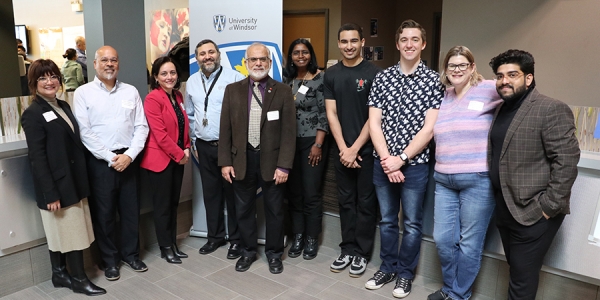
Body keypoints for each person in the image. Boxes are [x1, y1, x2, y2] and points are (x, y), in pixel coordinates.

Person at [488, 49, 580, 300]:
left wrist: (547, 208)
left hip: (534, 212)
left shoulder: (550, 108)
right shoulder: (501, 109)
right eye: (499, 76)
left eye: (512, 74)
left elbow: (567, 161)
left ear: (528, 78)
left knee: (522, 279)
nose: (504, 80)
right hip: (506, 208)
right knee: (517, 271)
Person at [366, 19, 443, 298]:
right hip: (382, 162)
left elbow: (429, 128)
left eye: (415, 39)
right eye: (404, 40)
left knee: (411, 222)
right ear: (398, 44)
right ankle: (387, 267)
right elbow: (374, 123)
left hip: (415, 166)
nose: (409, 44)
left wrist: (402, 159)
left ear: (423, 44)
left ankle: (405, 275)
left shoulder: (434, 80)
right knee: (387, 219)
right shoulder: (382, 77)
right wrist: (388, 160)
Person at [21, 59, 106, 296]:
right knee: (70, 233)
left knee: (68, 231)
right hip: (58, 185)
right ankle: (78, 278)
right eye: (43, 78)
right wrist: (50, 193)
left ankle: (59, 274)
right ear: (33, 83)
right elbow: (37, 158)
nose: (50, 82)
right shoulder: (33, 114)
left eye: (53, 76)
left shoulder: (62, 105)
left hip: (74, 181)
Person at [427, 46, 502, 300]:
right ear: (445, 70)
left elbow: (518, 99)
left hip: (477, 179)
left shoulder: (488, 88)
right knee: (443, 240)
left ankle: (459, 295)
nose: (457, 70)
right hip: (444, 179)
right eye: (451, 65)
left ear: (472, 67)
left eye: (462, 65)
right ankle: (449, 288)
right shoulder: (444, 96)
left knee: (470, 244)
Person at [218, 42, 296, 274]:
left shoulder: (282, 91)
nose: (258, 63)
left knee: (274, 211)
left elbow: (289, 133)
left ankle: (274, 254)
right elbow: (225, 130)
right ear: (245, 63)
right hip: (241, 160)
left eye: (263, 59)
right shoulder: (232, 90)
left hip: (272, 163)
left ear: (270, 63)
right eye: (253, 59)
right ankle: (248, 251)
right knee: (243, 210)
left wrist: (284, 166)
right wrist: (225, 162)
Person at [74, 46, 149, 281]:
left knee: (130, 212)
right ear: (94, 64)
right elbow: (85, 132)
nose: (109, 64)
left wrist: (130, 155)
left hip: (129, 160)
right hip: (100, 163)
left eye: (113, 60)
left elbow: (141, 127)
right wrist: (110, 157)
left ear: (118, 64)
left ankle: (131, 255)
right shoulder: (83, 93)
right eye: (104, 60)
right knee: (104, 214)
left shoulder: (131, 91)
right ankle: (110, 261)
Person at [324, 23, 380, 278]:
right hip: (342, 151)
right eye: (344, 42)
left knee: (366, 203)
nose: (349, 46)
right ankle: (347, 248)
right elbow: (331, 113)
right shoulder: (332, 74)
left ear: (362, 42)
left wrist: (355, 147)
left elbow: (374, 117)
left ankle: (361, 253)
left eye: (353, 41)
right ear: (339, 43)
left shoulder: (375, 73)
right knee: (346, 202)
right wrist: (344, 149)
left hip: (367, 151)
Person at [185, 39, 244, 259]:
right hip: (203, 146)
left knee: (233, 195)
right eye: (202, 54)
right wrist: (193, 141)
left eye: (211, 52)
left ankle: (236, 241)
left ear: (218, 54)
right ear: (197, 58)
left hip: (227, 148)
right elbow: (190, 115)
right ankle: (215, 237)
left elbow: (241, 117)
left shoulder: (235, 78)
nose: (207, 57)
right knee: (211, 195)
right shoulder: (191, 82)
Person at [140, 57, 190, 264]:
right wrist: (180, 155)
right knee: (162, 207)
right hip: (160, 161)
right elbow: (159, 135)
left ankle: (173, 243)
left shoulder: (177, 96)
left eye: (172, 73)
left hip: (178, 159)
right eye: (164, 73)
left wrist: (186, 146)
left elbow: (183, 126)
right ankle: (165, 247)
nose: (169, 77)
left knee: (173, 203)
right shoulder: (153, 99)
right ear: (156, 77)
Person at [283, 38, 329, 260]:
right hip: (290, 144)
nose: (300, 56)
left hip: (312, 143)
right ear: (290, 56)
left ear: (311, 55)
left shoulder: (320, 78)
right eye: (296, 53)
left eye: (304, 52)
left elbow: (324, 113)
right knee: (294, 194)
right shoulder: (287, 80)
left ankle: (312, 238)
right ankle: (298, 236)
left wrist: (318, 145)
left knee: (311, 193)